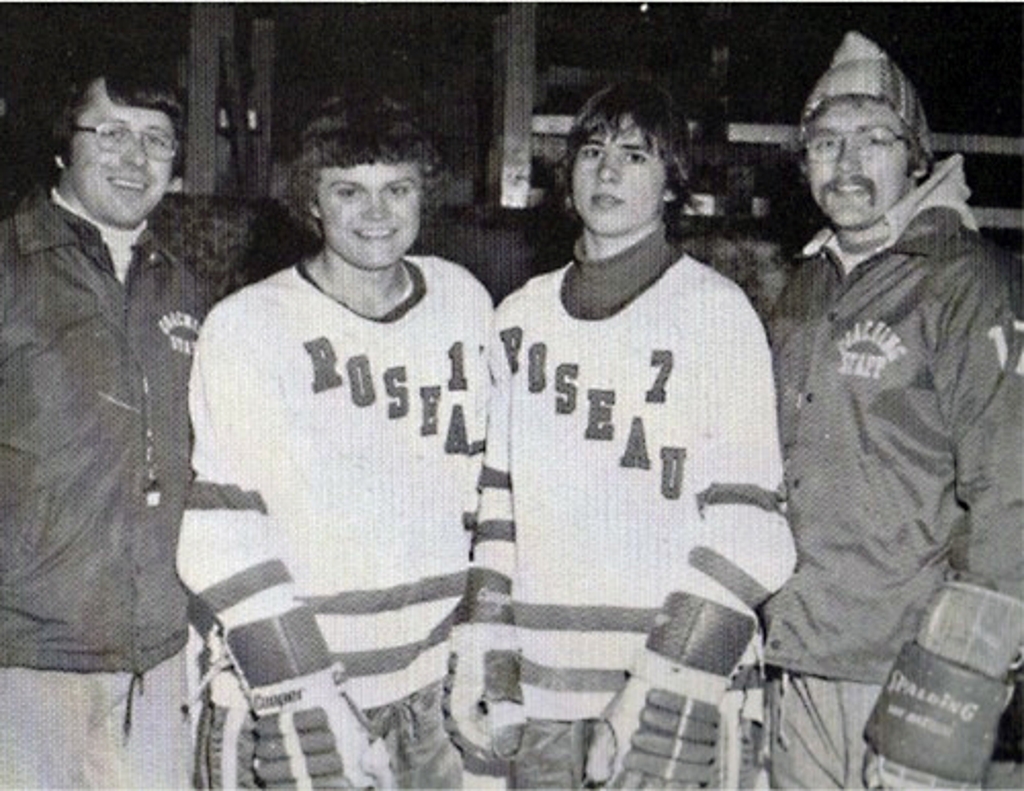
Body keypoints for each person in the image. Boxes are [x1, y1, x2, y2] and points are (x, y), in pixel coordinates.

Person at [447, 80, 796, 789]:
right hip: (544, 690)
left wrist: (654, 685)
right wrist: (487, 647)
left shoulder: (716, 312)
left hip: (673, 681)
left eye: (636, 156)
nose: (607, 171)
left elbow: (753, 531)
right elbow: (497, 504)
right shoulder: (520, 315)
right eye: (593, 150)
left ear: (673, 183)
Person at [177, 94, 493, 789]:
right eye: (349, 190)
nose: (377, 213)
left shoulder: (462, 300)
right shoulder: (250, 324)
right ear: (312, 201)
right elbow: (219, 532)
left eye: (397, 189)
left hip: (432, 684)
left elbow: (491, 487)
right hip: (295, 682)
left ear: (423, 195)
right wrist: (308, 688)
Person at [763, 31, 1024, 789]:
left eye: (873, 140)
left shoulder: (964, 279)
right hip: (803, 650)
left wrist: (959, 680)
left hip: (914, 662)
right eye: (825, 142)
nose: (846, 164)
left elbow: (1011, 491)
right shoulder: (804, 288)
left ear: (916, 156)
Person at [0, 63, 206, 787]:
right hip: (28, 660)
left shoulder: (184, 285)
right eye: (111, 133)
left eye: (157, 140)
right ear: (64, 145)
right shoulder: (8, 267)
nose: (135, 158)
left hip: (161, 656)